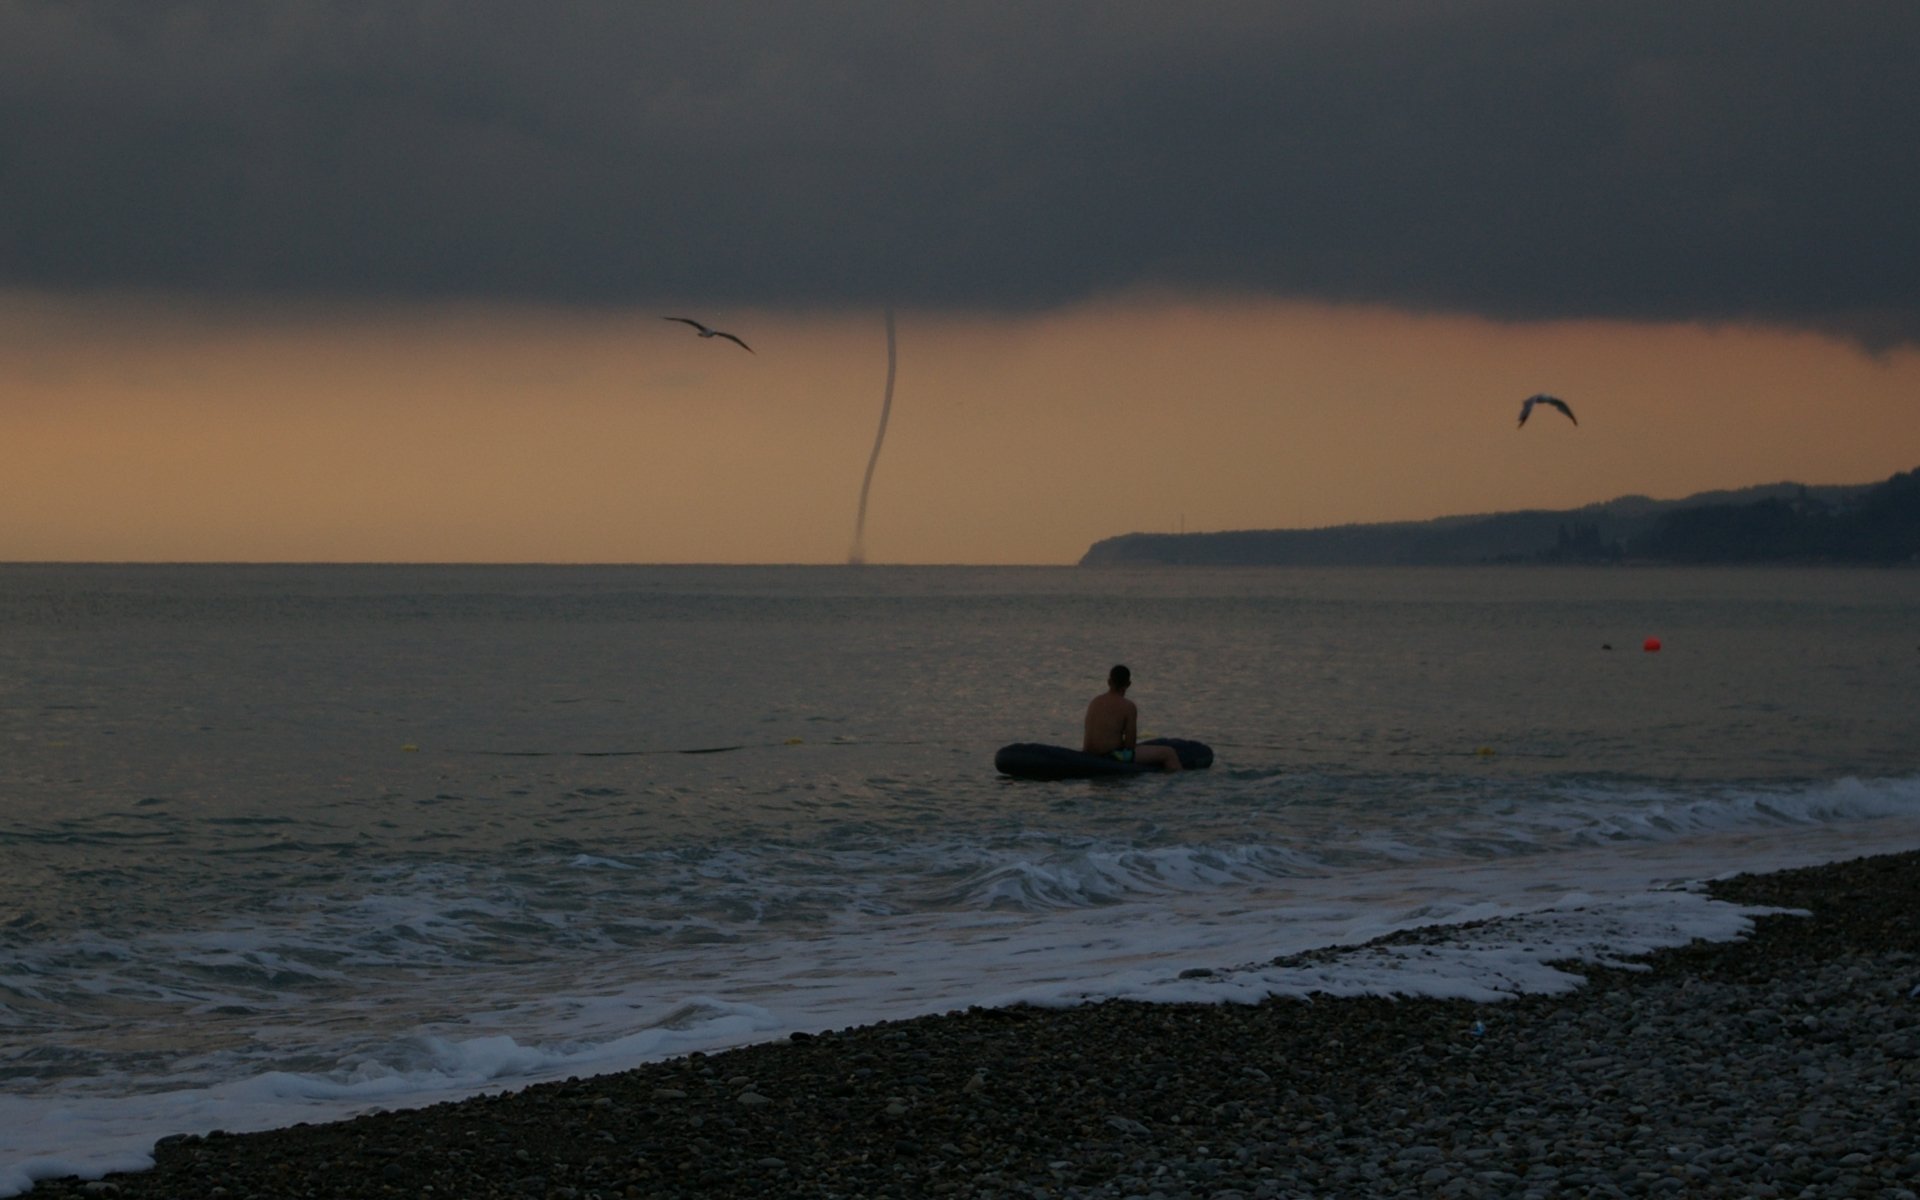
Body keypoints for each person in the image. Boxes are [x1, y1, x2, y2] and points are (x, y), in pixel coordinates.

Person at [1082, 664, 1181, 771]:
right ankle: (1180, 783)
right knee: (1169, 753)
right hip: (1111, 756)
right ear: (1128, 684)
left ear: (1109, 682)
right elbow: (1130, 746)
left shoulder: (1095, 701)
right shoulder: (1128, 706)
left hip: (1088, 753)